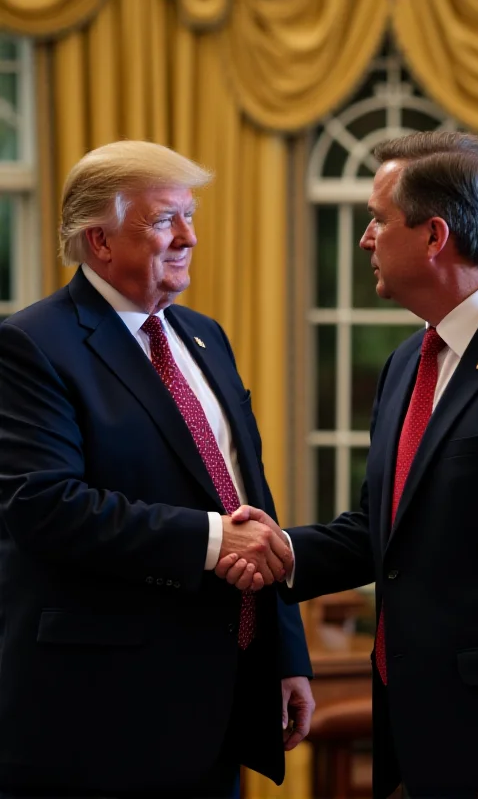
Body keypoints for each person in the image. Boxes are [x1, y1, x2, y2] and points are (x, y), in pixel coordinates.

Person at [219, 132, 478, 799]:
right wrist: (281, 551)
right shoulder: (404, 365)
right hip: (412, 736)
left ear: (433, 236)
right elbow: (381, 531)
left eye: (377, 219)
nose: (365, 238)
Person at [0, 140, 314, 798]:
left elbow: (250, 497)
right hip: (98, 713)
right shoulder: (31, 346)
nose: (189, 236)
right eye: (165, 219)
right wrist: (210, 539)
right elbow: (43, 506)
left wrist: (285, 655)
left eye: (190, 216)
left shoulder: (205, 336)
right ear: (100, 241)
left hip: (221, 697)